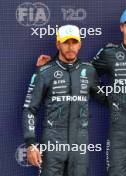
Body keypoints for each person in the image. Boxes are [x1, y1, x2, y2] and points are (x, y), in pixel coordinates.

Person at [36, 8, 126, 176]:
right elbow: (81, 72)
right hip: (120, 130)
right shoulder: (109, 53)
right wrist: (52, 64)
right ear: (121, 27)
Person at [23, 24, 105, 176]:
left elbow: (104, 98)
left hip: (79, 143)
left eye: (74, 42)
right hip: (53, 142)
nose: (70, 47)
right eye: (66, 42)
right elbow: (30, 109)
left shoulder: (88, 71)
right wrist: (31, 144)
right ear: (58, 44)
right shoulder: (44, 72)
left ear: (79, 44)